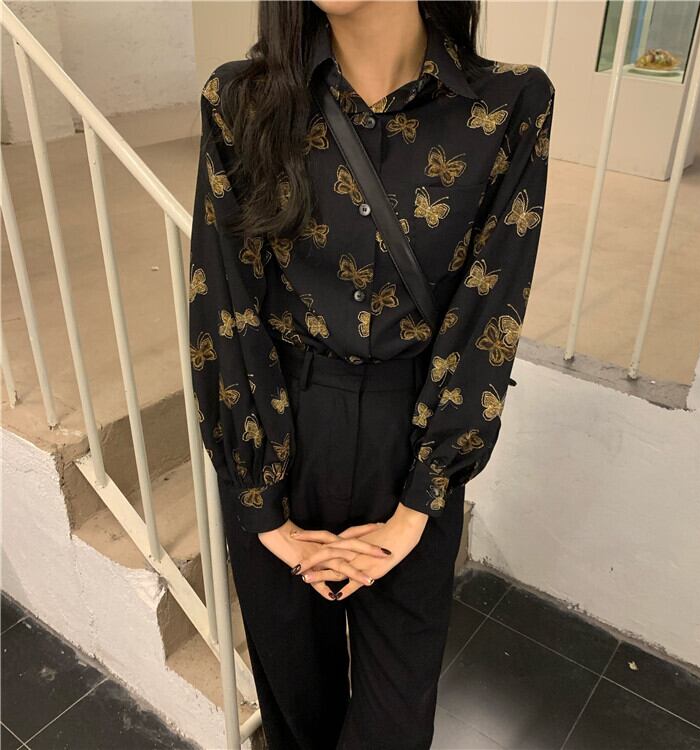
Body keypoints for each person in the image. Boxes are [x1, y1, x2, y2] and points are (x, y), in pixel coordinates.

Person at [189, 1, 555, 748]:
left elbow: (489, 311)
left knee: (395, 722)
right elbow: (224, 304)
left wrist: (421, 501)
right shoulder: (242, 102)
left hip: (412, 432)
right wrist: (261, 504)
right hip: (282, 425)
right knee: (297, 715)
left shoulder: (508, 105)